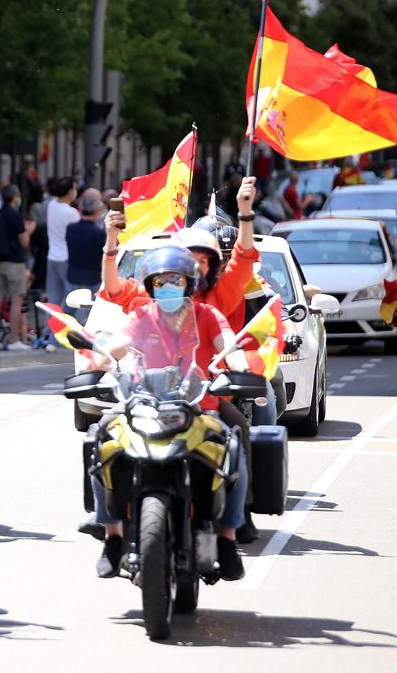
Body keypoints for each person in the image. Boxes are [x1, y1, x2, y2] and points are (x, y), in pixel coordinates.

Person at [88, 246, 248, 582]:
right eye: (160, 282)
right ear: (150, 286)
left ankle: (229, 538)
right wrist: (102, 358)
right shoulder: (141, 316)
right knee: (99, 439)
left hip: (198, 408)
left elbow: (229, 347)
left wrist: (238, 367)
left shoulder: (208, 315)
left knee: (233, 448)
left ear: (189, 283)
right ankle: (112, 535)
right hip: (146, 406)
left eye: (175, 280)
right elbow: (116, 346)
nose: (167, 287)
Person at [101, 177, 260, 335]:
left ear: (211, 268)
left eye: (203, 260)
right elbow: (115, 289)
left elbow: (243, 257)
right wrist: (111, 239)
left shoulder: (215, 304)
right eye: (190, 258)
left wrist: (245, 213)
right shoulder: (153, 299)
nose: (196, 265)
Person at [0, 184, 31, 350]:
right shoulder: (15, 215)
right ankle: (14, 340)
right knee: (16, 300)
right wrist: (29, 230)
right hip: (15, 261)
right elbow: (24, 241)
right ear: (14, 197)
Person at [43, 177, 81, 317]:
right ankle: (63, 328)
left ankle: (50, 329)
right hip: (67, 258)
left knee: (53, 297)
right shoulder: (72, 213)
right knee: (70, 298)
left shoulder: (51, 205)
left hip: (52, 256)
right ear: (70, 191)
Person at [63, 190, 105, 308]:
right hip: (92, 277)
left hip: (73, 274)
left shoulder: (71, 228)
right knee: (88, 313)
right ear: (97, 212)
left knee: (68, 308)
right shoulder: (99, 233)